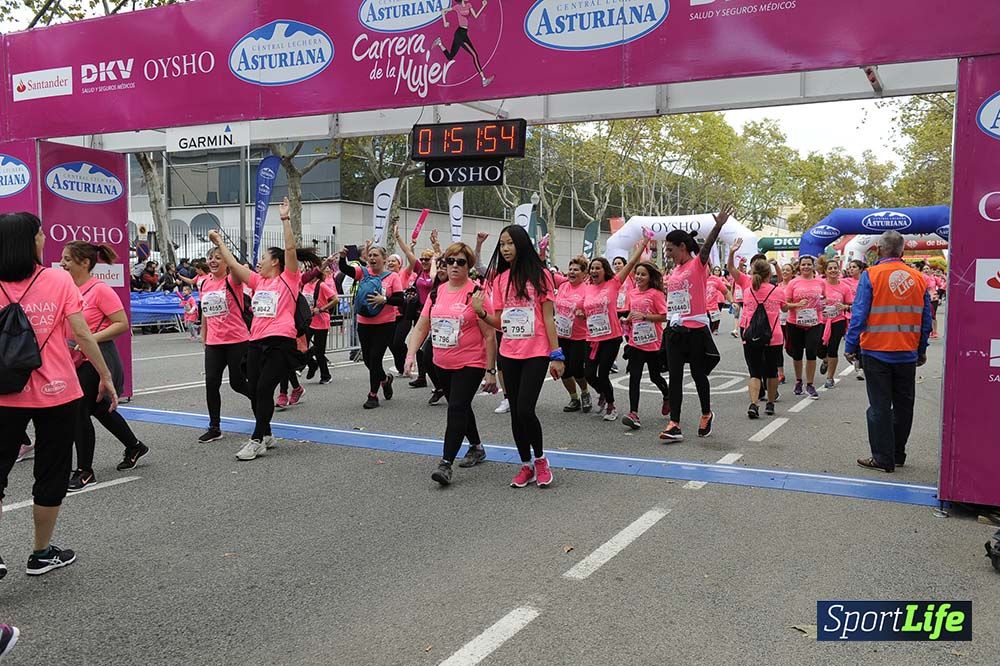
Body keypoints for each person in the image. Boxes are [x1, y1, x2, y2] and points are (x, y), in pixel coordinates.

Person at [0, 212, 118, 577]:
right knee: (52, 472)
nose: (44, 239)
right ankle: (41, 553)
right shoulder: (58, 279)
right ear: (30, 241)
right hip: (57, 390)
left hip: (3, 394)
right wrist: (105, 375)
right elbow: (81, 334)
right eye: (40, 234)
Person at [208, 198, 320, 461]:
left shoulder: (289, 279)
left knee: (264, 389)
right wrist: (219, 242)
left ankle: (256, 440)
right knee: (255, 389)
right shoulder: (258, 282)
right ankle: (267, 433)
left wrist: (285, 219)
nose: (258, 262)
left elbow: (290, 249)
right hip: (255, 341)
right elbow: (233, 265)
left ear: (276, 262)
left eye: (263, 258)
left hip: (280, 342)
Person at [474, 225, 564, 487]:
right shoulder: (500, 279)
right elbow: (499, 322)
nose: (505, 248)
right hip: (509, 353)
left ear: (522, 244)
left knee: (525, 408)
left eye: (510, 243)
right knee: (515, 412)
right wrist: (481, 312)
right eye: (502, 244)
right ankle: (526, 464)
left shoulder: (541, 275)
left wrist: (556, 355)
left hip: (536, 351)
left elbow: (548, 318)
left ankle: (541, 460)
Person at [405, 242, 498, 485]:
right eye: (450, 261)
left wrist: (490, 371)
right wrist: (410, 355)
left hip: (471, 362)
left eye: (461, 262)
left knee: (456, 407)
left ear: (469, 266)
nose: (454, 266)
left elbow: (489, 335)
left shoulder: (476, 293)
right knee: (461, 407)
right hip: (442, 362)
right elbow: (422, 325)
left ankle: (445, 464)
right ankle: (477, 447)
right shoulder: (437, 292)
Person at [60, 241, 149, 492]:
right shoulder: (66, 289)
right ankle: (135, 446)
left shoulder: (100, 290)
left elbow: (122, 324)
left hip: (98, 358)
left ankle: (85, 471)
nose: (62, 264)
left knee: (79, 410)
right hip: (73, 358)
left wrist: (90, 339)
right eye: (63, 259)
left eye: (67, 259)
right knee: (100, 409)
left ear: (85, 263)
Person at [845, 231, 932, 473]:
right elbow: (926, 319)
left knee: (879, 406)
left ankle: (883, 458)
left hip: (876, 351)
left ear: (879, 250)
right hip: (907, 352)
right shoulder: (919, 278)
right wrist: (921, 349)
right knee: (904, 406)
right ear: (903, 251)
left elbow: (859, 314)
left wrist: (850, 345)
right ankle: (897, 453)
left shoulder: (871, 274)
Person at [657, 204, 732, 442]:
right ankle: (674, 424)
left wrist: (717, 227)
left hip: (696, 330)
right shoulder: (675, 271)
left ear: (682, 247)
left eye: (670, 249)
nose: (667, 253)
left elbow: (706, 247)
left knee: (699, 375)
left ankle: (706, 413)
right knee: (675, 378)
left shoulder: (698, 264)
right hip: (675, 330)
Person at [196, 245, 253, 443]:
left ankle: (260, 404)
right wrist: (204, 334)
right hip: (214, 342)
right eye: (210, 257)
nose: (212, 261)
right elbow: (205, 311)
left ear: (226, 262)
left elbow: (236, 267)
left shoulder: (232, 280)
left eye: (218, 258)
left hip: (237, 340)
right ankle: (214, 427)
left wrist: (221, 245)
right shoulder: (204, 283)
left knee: (238, 383)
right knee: (211, 383)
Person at [585, 241, 647, 422]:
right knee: (589, 374)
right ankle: (603, 393)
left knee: (603, 374)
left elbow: (631, 263)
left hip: (611, 337)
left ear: (605, 270)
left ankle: (611, 405)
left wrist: (643, 243)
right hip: (593, 337)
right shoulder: (587, 288)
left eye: (597, 268)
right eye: (592, 268)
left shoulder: (613, 283)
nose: (594, 271)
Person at [339, 243, 405, 409]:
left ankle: (373, 395)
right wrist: (342, 257)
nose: (372, 258)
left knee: (375, 358)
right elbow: (344, 269)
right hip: (364, 323)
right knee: (368, 361)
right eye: (370, 255)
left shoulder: (392, 277)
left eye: (376, 255)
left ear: (384, 259)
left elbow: (400, 300)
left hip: (385, 324)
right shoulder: (363, 272)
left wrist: (384, 300)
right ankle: (385, 380)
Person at [727, 243, 785, 418]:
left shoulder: (747, 287)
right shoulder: (777, 291)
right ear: (769, 274)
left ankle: (754, 404)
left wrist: (732, 252)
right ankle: (770, 403)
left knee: (754, 371)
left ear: (753, 272)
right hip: (773, 335)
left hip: (751, 333)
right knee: (772, 371)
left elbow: (731, 269)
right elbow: (784, 308)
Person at [621, 261, 669, 429]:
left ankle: (667, 395)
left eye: (643, 274)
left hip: (653, 343)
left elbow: (665, 316)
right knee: (634, 377)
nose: (639, 277)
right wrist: (627, 320)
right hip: (636, 343)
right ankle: (633, 413)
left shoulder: (656, 294)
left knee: (655, 376)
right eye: (637, 274)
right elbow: (633, 313)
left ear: (650, 277)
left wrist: (645, 317)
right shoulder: (632, 293)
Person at [553, 255, 592, 413]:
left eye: (576, 270)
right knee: (563, 369)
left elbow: (594, 310)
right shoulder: (563, 286)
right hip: (561, 334)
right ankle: (574, 398)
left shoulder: (587, 289)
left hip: (579, 336)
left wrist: (584, 313)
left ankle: (585, 393)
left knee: (576, 369)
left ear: (584, 274)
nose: (572, 272)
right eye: (570, 269)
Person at [784, 255, 825, 399]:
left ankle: (810, 384)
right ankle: (798, 381)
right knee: (797, 353)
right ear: (799, 267)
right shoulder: (793, 283)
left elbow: (825, 298)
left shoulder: (820, 282)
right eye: (803, 265)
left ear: (813, 266)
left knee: (811, 352)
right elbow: (785, 305)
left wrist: (823, 304)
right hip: (795, 322)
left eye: (808, 264)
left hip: (815, 322)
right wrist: (797, 304)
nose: (806, 267)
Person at [432, 0, 494, 87]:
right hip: (460, 34)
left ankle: (439, 43)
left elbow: (475, 16)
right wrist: (444, 22)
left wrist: (483, 6)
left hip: (463, 33)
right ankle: (484, 79)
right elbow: (443, 11)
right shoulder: (457, 7)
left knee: (450, 57)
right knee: (474, 55)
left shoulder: (469, 5)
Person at [817, 257, 853, 388]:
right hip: (821, 320)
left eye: (835, 268)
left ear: (839, 270)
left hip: (838, 320)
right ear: (825, 271)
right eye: (830, 268)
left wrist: (844, 306)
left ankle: (830, 378)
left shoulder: (845, 287)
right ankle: (825, 359)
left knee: (833, 349)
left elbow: (850, 304)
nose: (833, 270)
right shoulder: (819, 284)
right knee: (818, 349)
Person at [302, 262, 338, 385]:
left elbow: (335, 299)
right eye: (306, 269)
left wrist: (321, 309)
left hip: (321, 321)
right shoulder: (304, 284)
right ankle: (312, 364)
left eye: (310, 269)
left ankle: (326, 375)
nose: (307, 271)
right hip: (308, 321)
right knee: (301, 347)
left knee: (319, 351)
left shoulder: (321, 285)